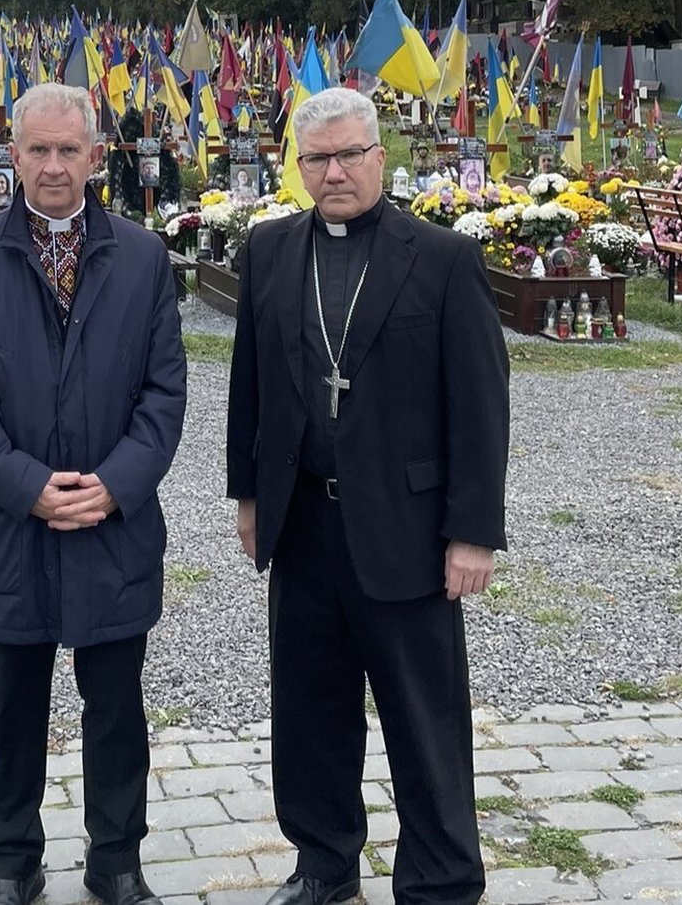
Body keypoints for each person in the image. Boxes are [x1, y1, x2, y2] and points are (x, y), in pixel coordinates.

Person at [226, 87, 508, 905]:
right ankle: (324, 861)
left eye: (350, 154)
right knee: (309, 708)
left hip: (409, 527)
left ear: (381, 156)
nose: (336, 171)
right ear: (300, 167)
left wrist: (474, 532)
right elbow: (251, 385)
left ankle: (442, 876)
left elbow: (481, 404)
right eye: (318, 158)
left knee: (424, 717)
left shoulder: (443, 258)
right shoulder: (272, 251)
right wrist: (248, 496)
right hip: (305, 518)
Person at [0, 82, 187, 905]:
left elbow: (163, 392)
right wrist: (28, 486)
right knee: (11, 708)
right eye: (36, 149)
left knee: (116, 703)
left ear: (95, 156)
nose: (50, 166)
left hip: (112, 524)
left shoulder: (143, 257)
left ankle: (116, 859)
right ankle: (13, 860)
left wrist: (114, 486)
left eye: (67, 150)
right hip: (8, 528)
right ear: (13, 152)